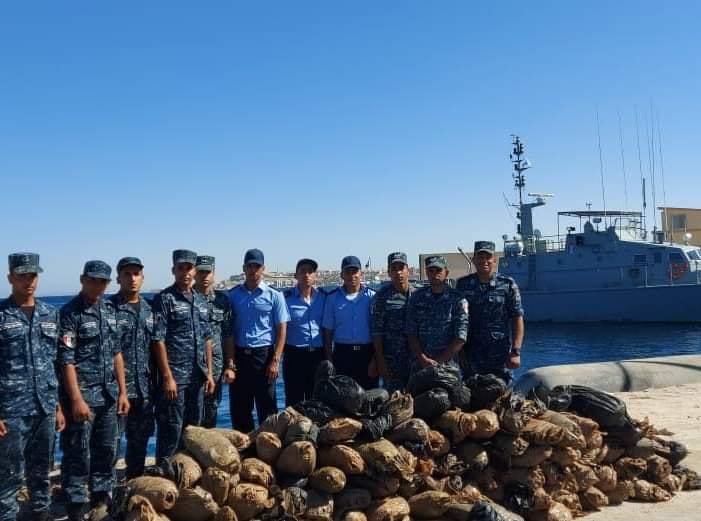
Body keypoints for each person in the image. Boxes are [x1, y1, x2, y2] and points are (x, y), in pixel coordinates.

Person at [58, 260, 130, 520]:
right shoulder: (69, 313)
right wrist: (76, 399)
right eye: (93, 280)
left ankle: (102, 502)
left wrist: (122, 392)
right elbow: (66, 360)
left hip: (109, 396)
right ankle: (76, 507)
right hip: (83, 397)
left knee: (107, 451)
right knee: (78, 454)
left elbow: (117, 354)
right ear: (82, 279)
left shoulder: (109, 311)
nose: (97, 286)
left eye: (103, 281)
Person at [0, 253, 65, 521]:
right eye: (22, 275)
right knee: (8, 475)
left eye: (33, 275)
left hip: (45, 406)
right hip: (11, 410)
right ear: (10, 278)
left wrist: (59, 406)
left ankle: (41, 514)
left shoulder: (51, 314)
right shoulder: (2, 316)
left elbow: (56, 363)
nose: (28, 281)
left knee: (41, 471)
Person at [151, 250, 215, 465]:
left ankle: (187, 472)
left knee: (193, 429)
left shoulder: (200, 300)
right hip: (175, 377)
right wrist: (167, 376)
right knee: (171, 428)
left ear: (195, 271)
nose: (185, 273)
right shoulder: (165, 299)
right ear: (173, 270)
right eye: (181, 268)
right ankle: (164, 476)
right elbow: (158, 340)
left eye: (189, 268)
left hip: (197, 375)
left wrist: (210, 374)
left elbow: (207, 339)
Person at [224, 249, 289, 432]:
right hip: (240, 356)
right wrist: (230, 362)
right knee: (240, 409)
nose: (253, 270)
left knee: (267, 410)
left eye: (257, 267)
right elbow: (228, 331)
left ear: (263, 269)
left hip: (264, 356)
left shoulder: (274, 296)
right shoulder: (233, 295)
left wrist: (276, 360)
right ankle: (245, 455)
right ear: (244, 268)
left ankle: (269, 453)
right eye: (250, 266)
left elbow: (282, 330)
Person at [109, 257, 155, 479]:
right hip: (117, 389)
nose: (132, 278)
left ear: (143, 278)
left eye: (136, 273)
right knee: (111, 443)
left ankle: (135, 485)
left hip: (145, 388)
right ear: (118, 278)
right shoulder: (109, 308)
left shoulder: (149, 308)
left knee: (140, 441)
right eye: (126, 274)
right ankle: (106, 494)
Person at [456, 241, 524, 384]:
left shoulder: (507, 284)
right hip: (471, 356)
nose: (484, 261)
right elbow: (457, 320)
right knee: (471, 398)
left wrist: (516, 351)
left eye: (488, 257)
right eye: (480, 257)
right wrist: (459, 351)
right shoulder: (463, 285)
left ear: (494, 260)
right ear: (474, 260)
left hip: (499, 356)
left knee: (501, 397)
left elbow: (517, 318)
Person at [322, 255, 378, 390]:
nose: (351, 275)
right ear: (342, 275)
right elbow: (327, 331)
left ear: (361, 274)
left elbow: (378, 330)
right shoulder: (332, 298)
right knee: (343, 399)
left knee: (369, 399)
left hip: (367, 354)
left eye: (355, 271)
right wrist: (329, 359)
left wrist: (376, 359)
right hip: (342, 355)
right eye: (348, 272)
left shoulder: (373, 297)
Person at [405, 255, 469, 370]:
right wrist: (422, 358)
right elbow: (411, 332)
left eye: (439, 270)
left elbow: (461, 336)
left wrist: (437, 362)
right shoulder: (417, 298)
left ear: (446, 272)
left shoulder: (458, 299)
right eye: (431, 270)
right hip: (421, 364)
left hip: (448, 366)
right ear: (426, 273)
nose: (435, 274)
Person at [194, 255, 233, 428]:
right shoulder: (186, 298)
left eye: (208, 272)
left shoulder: (222, 300)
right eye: (201, 272)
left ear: (214, 274)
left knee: (211, 414)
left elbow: (228, 335)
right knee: (190, 416)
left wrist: (229, 365)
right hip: (189, 368)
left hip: (215, 366)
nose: (204, 276)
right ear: (195, 273)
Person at [282, 258, 327, 406]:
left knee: (316, 400)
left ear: (315, 276)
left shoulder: (324, 298)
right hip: (295, 355)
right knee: (294, 400)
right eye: (302, 271)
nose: (306, 275)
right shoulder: (285, 299)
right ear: (296, 276)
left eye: (310, 271)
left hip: (317, 355)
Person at [371, 252, 415, 392]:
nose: (398, 272)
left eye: (401, 268)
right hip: (392, 361)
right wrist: (380, 361)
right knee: (393, 404)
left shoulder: (420, 294)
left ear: (408, 270)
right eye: (394, 269)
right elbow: (377, 332)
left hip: (416, 360)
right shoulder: (382, 297)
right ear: (389, 272)